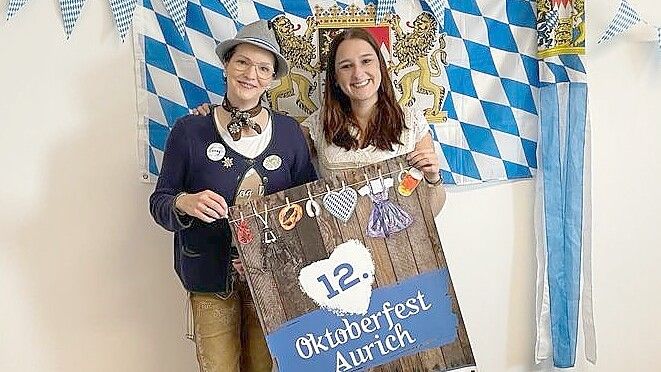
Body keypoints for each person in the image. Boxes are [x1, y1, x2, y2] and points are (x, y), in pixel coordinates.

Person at [149, 20, 317, 372]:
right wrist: (184, 202)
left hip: (272, 279)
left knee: (263, 367)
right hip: (209, 278)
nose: (250, 74)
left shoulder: (289, 134)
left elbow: (308, 208)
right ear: (226, 65)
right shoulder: (190, 130)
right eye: (242, 62)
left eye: (263, 68)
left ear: (272, 79)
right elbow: (160, 202)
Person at [195, 27, 445, 213]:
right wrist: (219, 117)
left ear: (380, 66)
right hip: (340, 254)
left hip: (404, 249)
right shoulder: (316, 126)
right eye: (346, 66)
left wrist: (433, 178)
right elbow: (267, 160)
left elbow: (432, 211)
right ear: (335, 77)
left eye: (366, 61)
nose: (358, 73)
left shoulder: (412, 123)